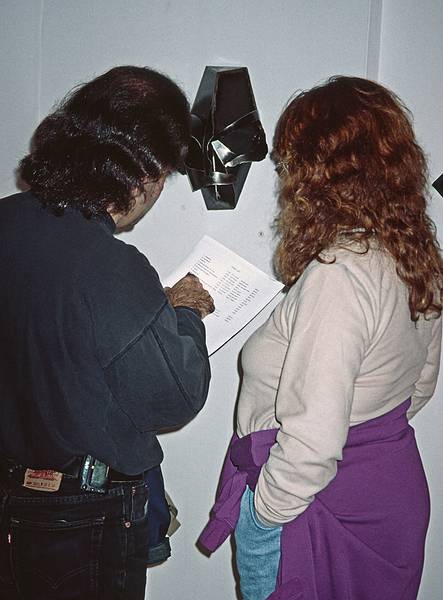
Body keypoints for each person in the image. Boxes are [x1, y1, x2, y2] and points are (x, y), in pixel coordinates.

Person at [198, 76, 443, 600]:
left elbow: (313, 440)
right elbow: (418, 386)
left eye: (291, 163)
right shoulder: (412, 254)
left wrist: (263, 516)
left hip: (316, 505)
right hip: (388, 491)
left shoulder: (341, 273)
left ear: (322, 172)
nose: (286, 177)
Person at [0, 66, 214, 600]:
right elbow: (172, 400)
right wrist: (184, 313)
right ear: (143, 175)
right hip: (77, 515)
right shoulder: (111, 264)